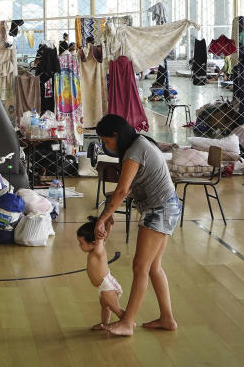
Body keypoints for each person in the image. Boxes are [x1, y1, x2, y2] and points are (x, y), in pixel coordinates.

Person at [94, 113, 181, 336]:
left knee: (140, 267)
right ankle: (167, 318)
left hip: (160, 209)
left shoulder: (134, 151)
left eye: (106, 141)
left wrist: (103, 219)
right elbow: (127, 189)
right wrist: (108, 211)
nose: (107, 146)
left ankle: (127, 323)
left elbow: (123, 190)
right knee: (153, 267)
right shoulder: (140, 144)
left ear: (116, 135)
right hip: (166, 206)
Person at [77, 219, 125, 331]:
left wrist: (101, 233)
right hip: (102, 287)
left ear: (93, 242)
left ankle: (128, 322)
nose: (80, 246)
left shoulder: (98, 251)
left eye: (81, 243)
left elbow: (102, 238)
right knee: (105, 306)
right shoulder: (94, 250)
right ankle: (104, 324)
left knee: (116, 308)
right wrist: (108, 224)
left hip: (107, 286)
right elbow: (104, 237)